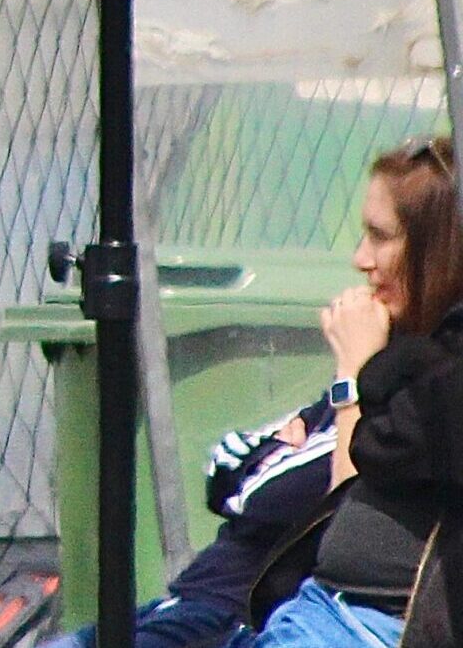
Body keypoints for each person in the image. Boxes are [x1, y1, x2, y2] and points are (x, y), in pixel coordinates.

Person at [241, 136, 463, 645]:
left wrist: (353, 375)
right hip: (311, 607)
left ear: (439, 249)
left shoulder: (439, 386)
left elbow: (346, 488)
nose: (361, 259)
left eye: (381, 237)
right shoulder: (397, 347)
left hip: (361, 627)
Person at [38, 398, 335, 648]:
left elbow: (263, 497)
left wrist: (270, 456)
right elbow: (224, 466)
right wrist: (274, 458)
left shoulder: (353, 419)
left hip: (226, 617)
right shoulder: (329, 407)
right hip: (178, 604)